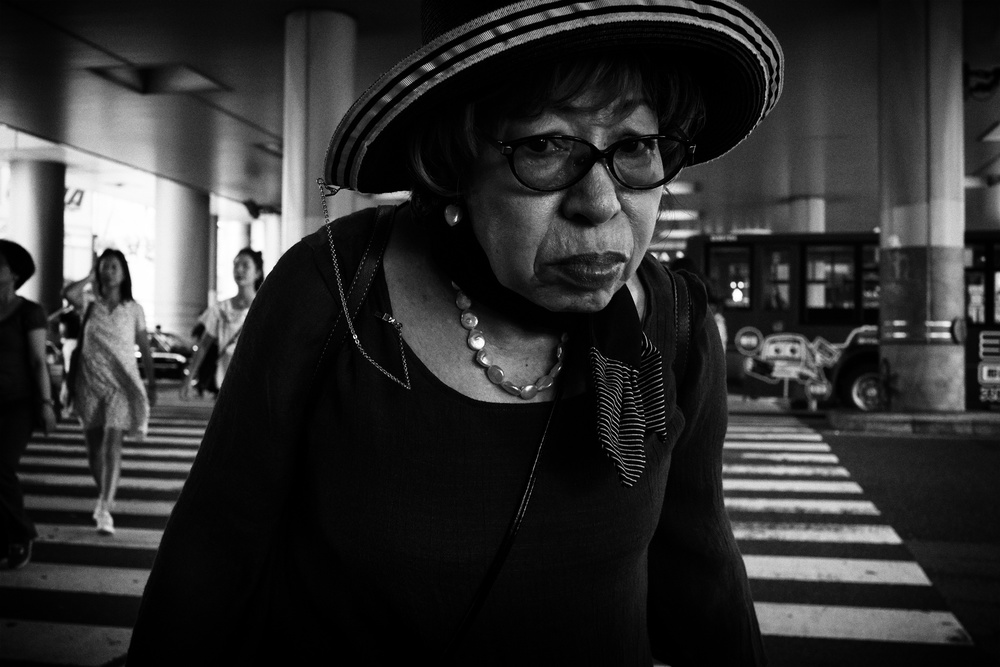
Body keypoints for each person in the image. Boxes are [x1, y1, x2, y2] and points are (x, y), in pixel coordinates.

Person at [129, 0, 782, 663]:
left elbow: (702, 577)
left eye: (636, 147)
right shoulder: (330, 292)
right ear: (454, 166)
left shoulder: (677, 328)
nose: (602, 201)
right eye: (547, 144)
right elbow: (208, 566)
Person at [63, 249, 156, 536]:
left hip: (121, 383)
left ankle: (104, 506)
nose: (109, 271)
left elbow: (144, 347)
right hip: (89, 381)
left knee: (112, 444)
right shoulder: (89, 302)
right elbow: (69, 293)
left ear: (124, 272)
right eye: (105, 267)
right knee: (93, 448)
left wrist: (151, 382)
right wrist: (90, 276)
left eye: (115, 267)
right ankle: (104, 493)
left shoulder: (134, 308)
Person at [0, 240, 56, 570]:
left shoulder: (29, 312)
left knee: (1, 467)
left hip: (19, 405)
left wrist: (47, 404)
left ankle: (22, 533)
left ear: (15, 274)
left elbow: (38, 362)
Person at [180, 247, 264, 400]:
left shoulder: (266, 308)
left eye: (245, 265)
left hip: (256, 384)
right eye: (236, 265)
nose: (239, 269)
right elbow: (203, 345)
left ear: (257, 272)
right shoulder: (221, 309)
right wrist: (188, 380)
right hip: (226, 384)